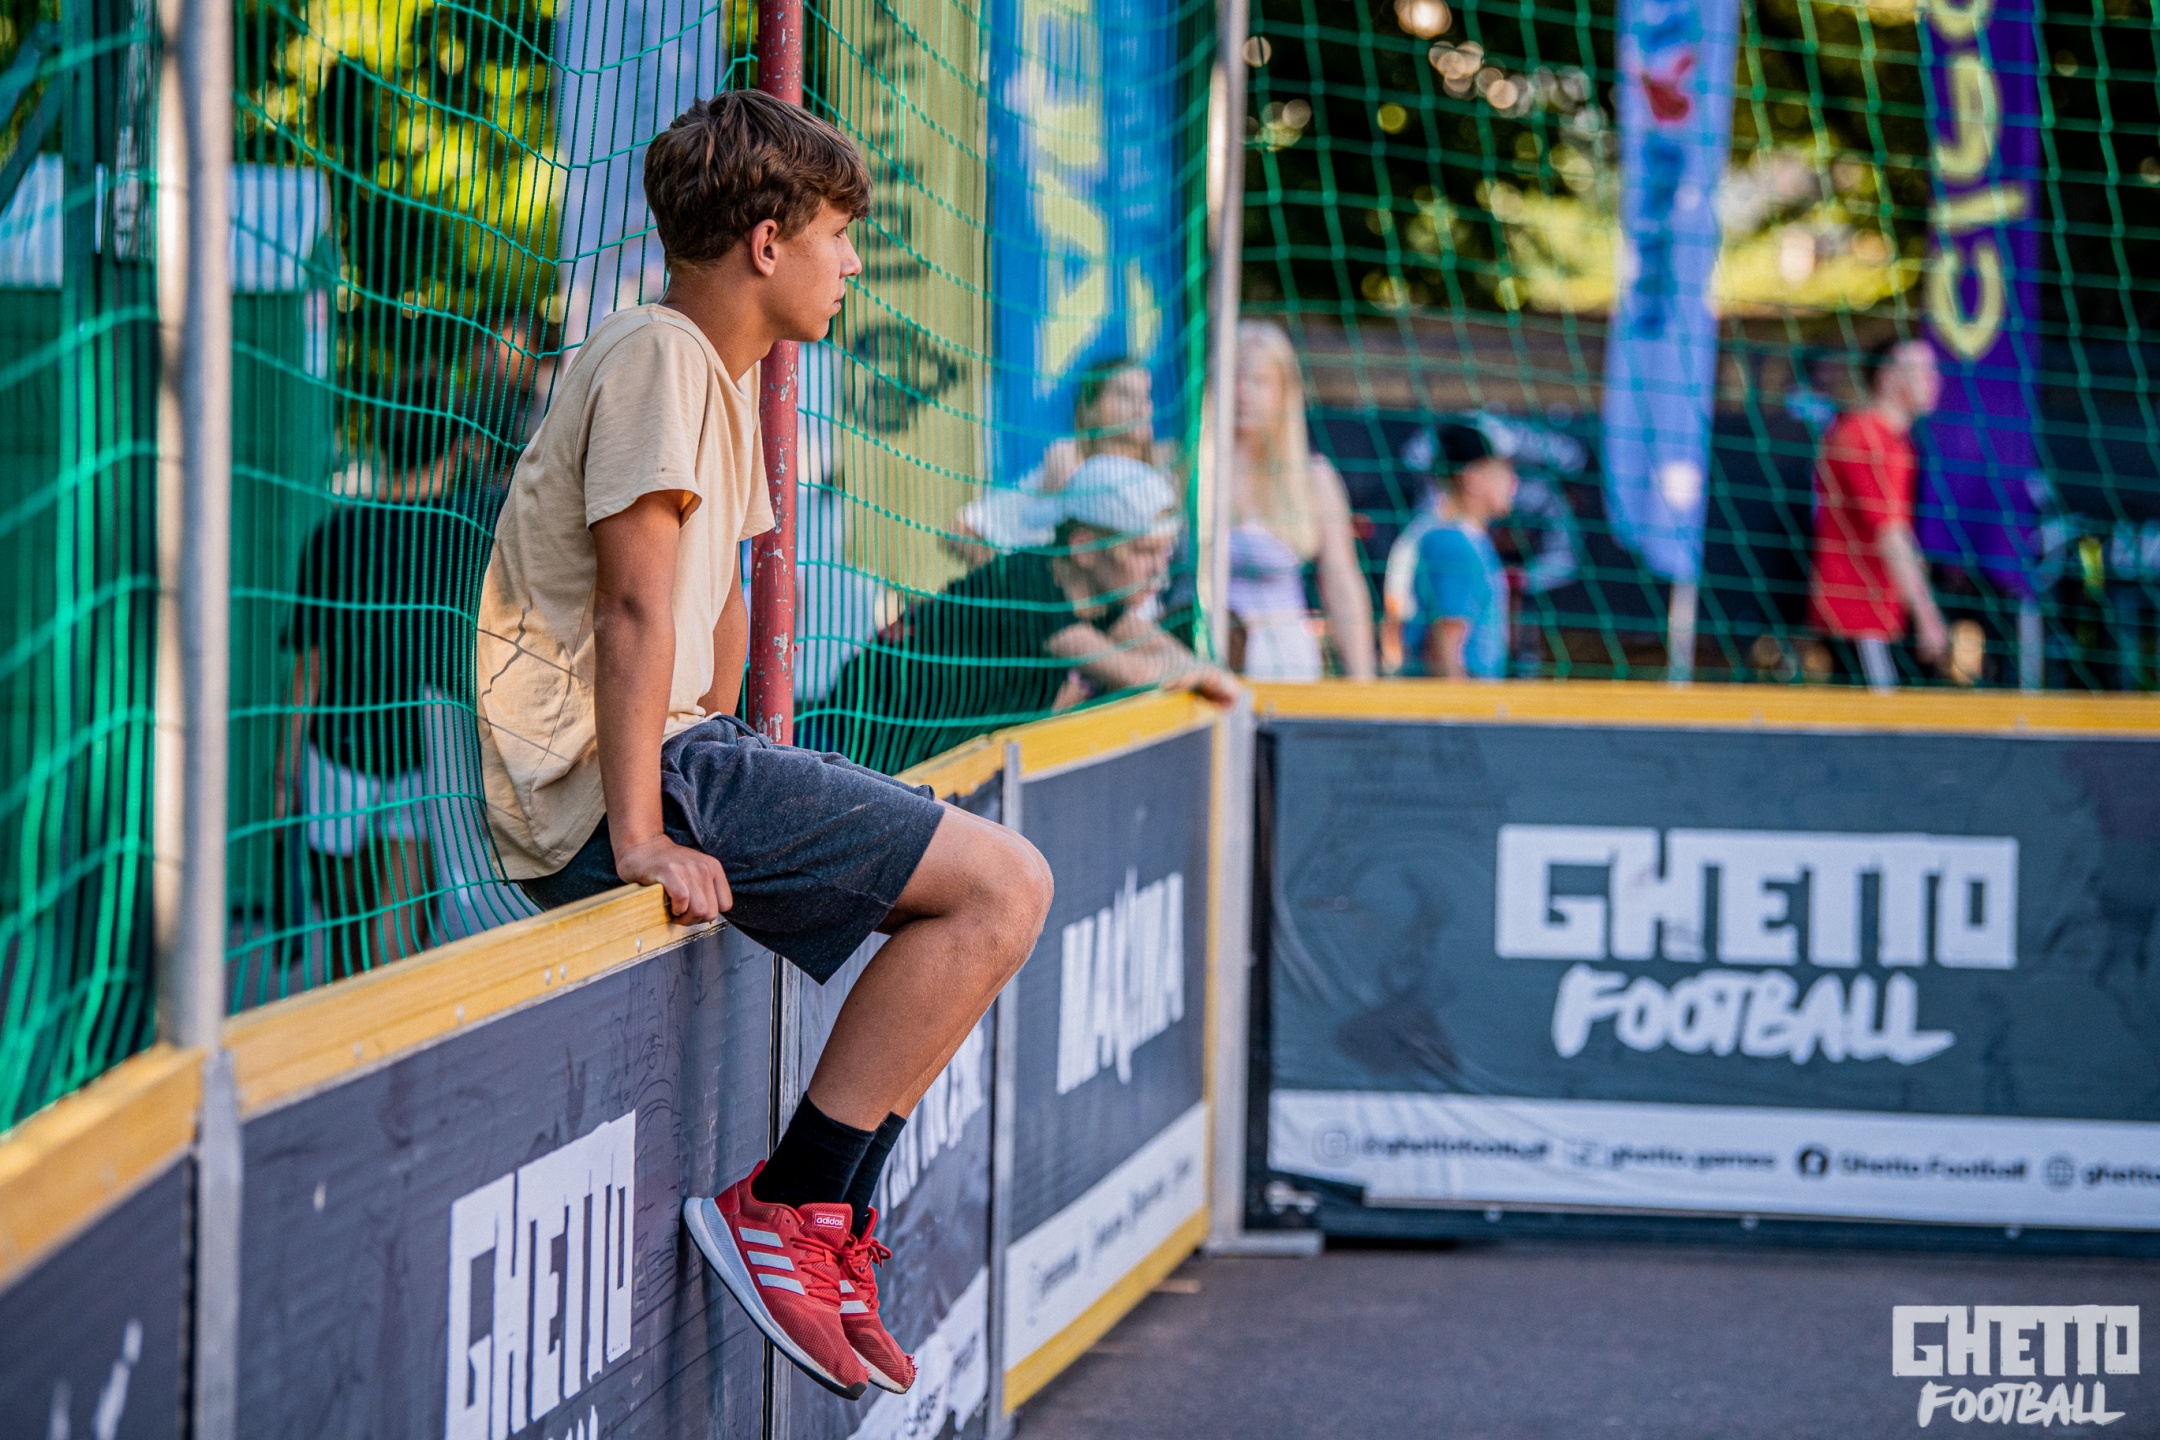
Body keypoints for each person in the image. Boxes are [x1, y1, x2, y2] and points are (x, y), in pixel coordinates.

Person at [471, 91, 1054, 1402]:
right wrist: (640, 833)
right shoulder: (660, 356)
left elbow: (718, 616)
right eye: (841, 235)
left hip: (687, 752)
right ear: (767, 241)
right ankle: (791, 1206)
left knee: (988, 894)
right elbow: (631, 608)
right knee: (1003, 884)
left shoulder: (713, 376)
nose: (852, 265)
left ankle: (824, 1217)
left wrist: (749, 771)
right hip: (626, 779)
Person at [814, 455, 1240, 775]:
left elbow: (1164, 654)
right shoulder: (1029, 584)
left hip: (912, 757)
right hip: (846, 738)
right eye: (1144, 551)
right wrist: (1200, 673)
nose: (1159, 570)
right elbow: (1135, 672)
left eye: (1164, 552)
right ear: (1084, 547)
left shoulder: (1101, 602)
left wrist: (1197, 670)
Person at [279, 377, 477, 975]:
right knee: (398, 939)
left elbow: (310, 668)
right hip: (428, 757)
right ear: (454, 444)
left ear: (383, 441)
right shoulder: (465, 537)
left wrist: (285, 774)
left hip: (337, 752)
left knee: (346, 936)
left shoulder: (336, 534)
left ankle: (350, 1023)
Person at [1229, 320, 1375, 680]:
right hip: (1196, 667)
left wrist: (1362, 683)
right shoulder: (1189, 469)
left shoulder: (1313, 477)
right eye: (1234, 378)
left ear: (1284, 390)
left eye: (1259, 381)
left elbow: (1342, 584)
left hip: (1283, 671)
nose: (1243, 392)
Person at [1807, 336, 1948, 691]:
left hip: (1877, 613)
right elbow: (1890, 535)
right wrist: (1927, 615)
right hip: (1856, 613)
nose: (1933, 380)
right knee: (1876, 717)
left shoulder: (1895, 441)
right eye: (1920, 370)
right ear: (1887, 377)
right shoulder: (1866, 437)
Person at [948, 355, 1169, 560]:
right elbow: (961, 531)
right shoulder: (1064, 468)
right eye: (1125, 395)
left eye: (1145, 396)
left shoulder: (1160, 478)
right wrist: (1016, 577)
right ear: (1091, 406)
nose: (1141, 409)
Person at [1386, 422, 1517, 678]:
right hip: (1463, 693)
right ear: (1473, 478)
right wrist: (1459, 703)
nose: (1513, 482)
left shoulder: (1452, 536)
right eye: (1503, 471)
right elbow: (1444, 649)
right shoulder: (1454, 544)